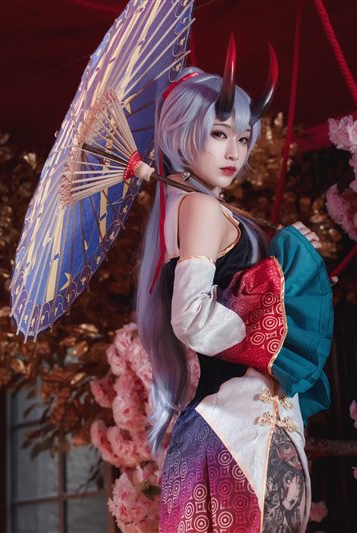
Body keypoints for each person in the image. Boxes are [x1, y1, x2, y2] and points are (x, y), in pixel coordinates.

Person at [135, 46, 334, 532]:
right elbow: (193, 320)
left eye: (243, 138)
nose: (234, 153)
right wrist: (278, 292)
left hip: (224, 426)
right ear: (182, 131)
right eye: (219, 134)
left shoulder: (184, 206)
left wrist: (286, 274)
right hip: (241, 429)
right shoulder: (201, 208)